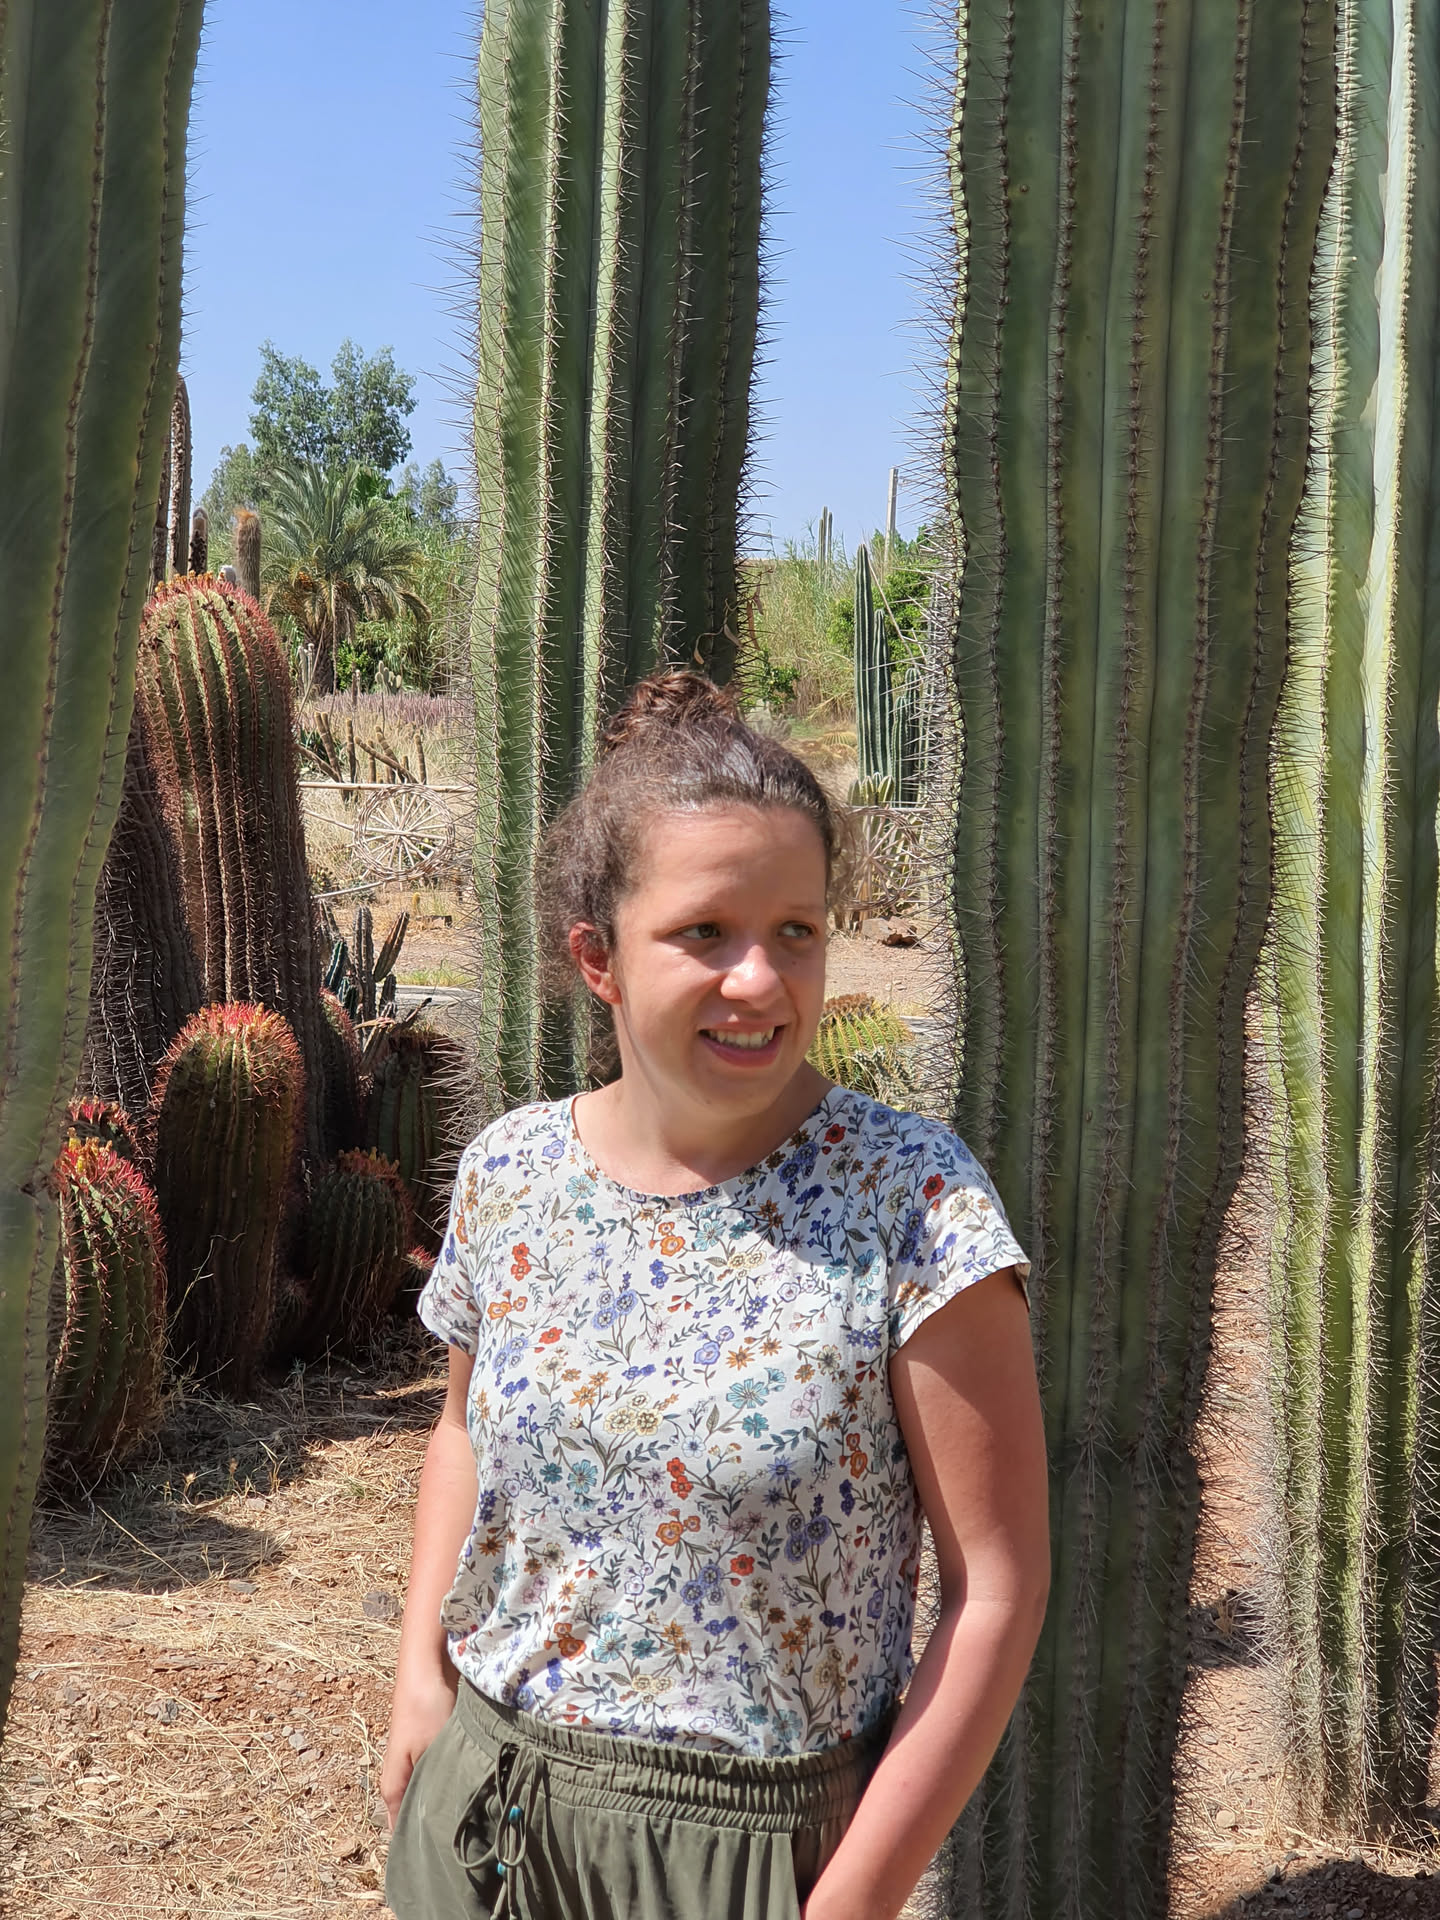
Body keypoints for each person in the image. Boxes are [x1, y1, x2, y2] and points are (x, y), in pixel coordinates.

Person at [381, 671, 1049, 1920]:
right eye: (706, 933)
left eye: (796, 931)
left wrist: (850, 1903)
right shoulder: (512, 1172)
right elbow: (461, 1430)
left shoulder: (912, 1201)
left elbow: (995, 1592)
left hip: (753, 1855)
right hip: (486, 1818)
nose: (760, 981)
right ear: (598, 959)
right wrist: (421, 1672)